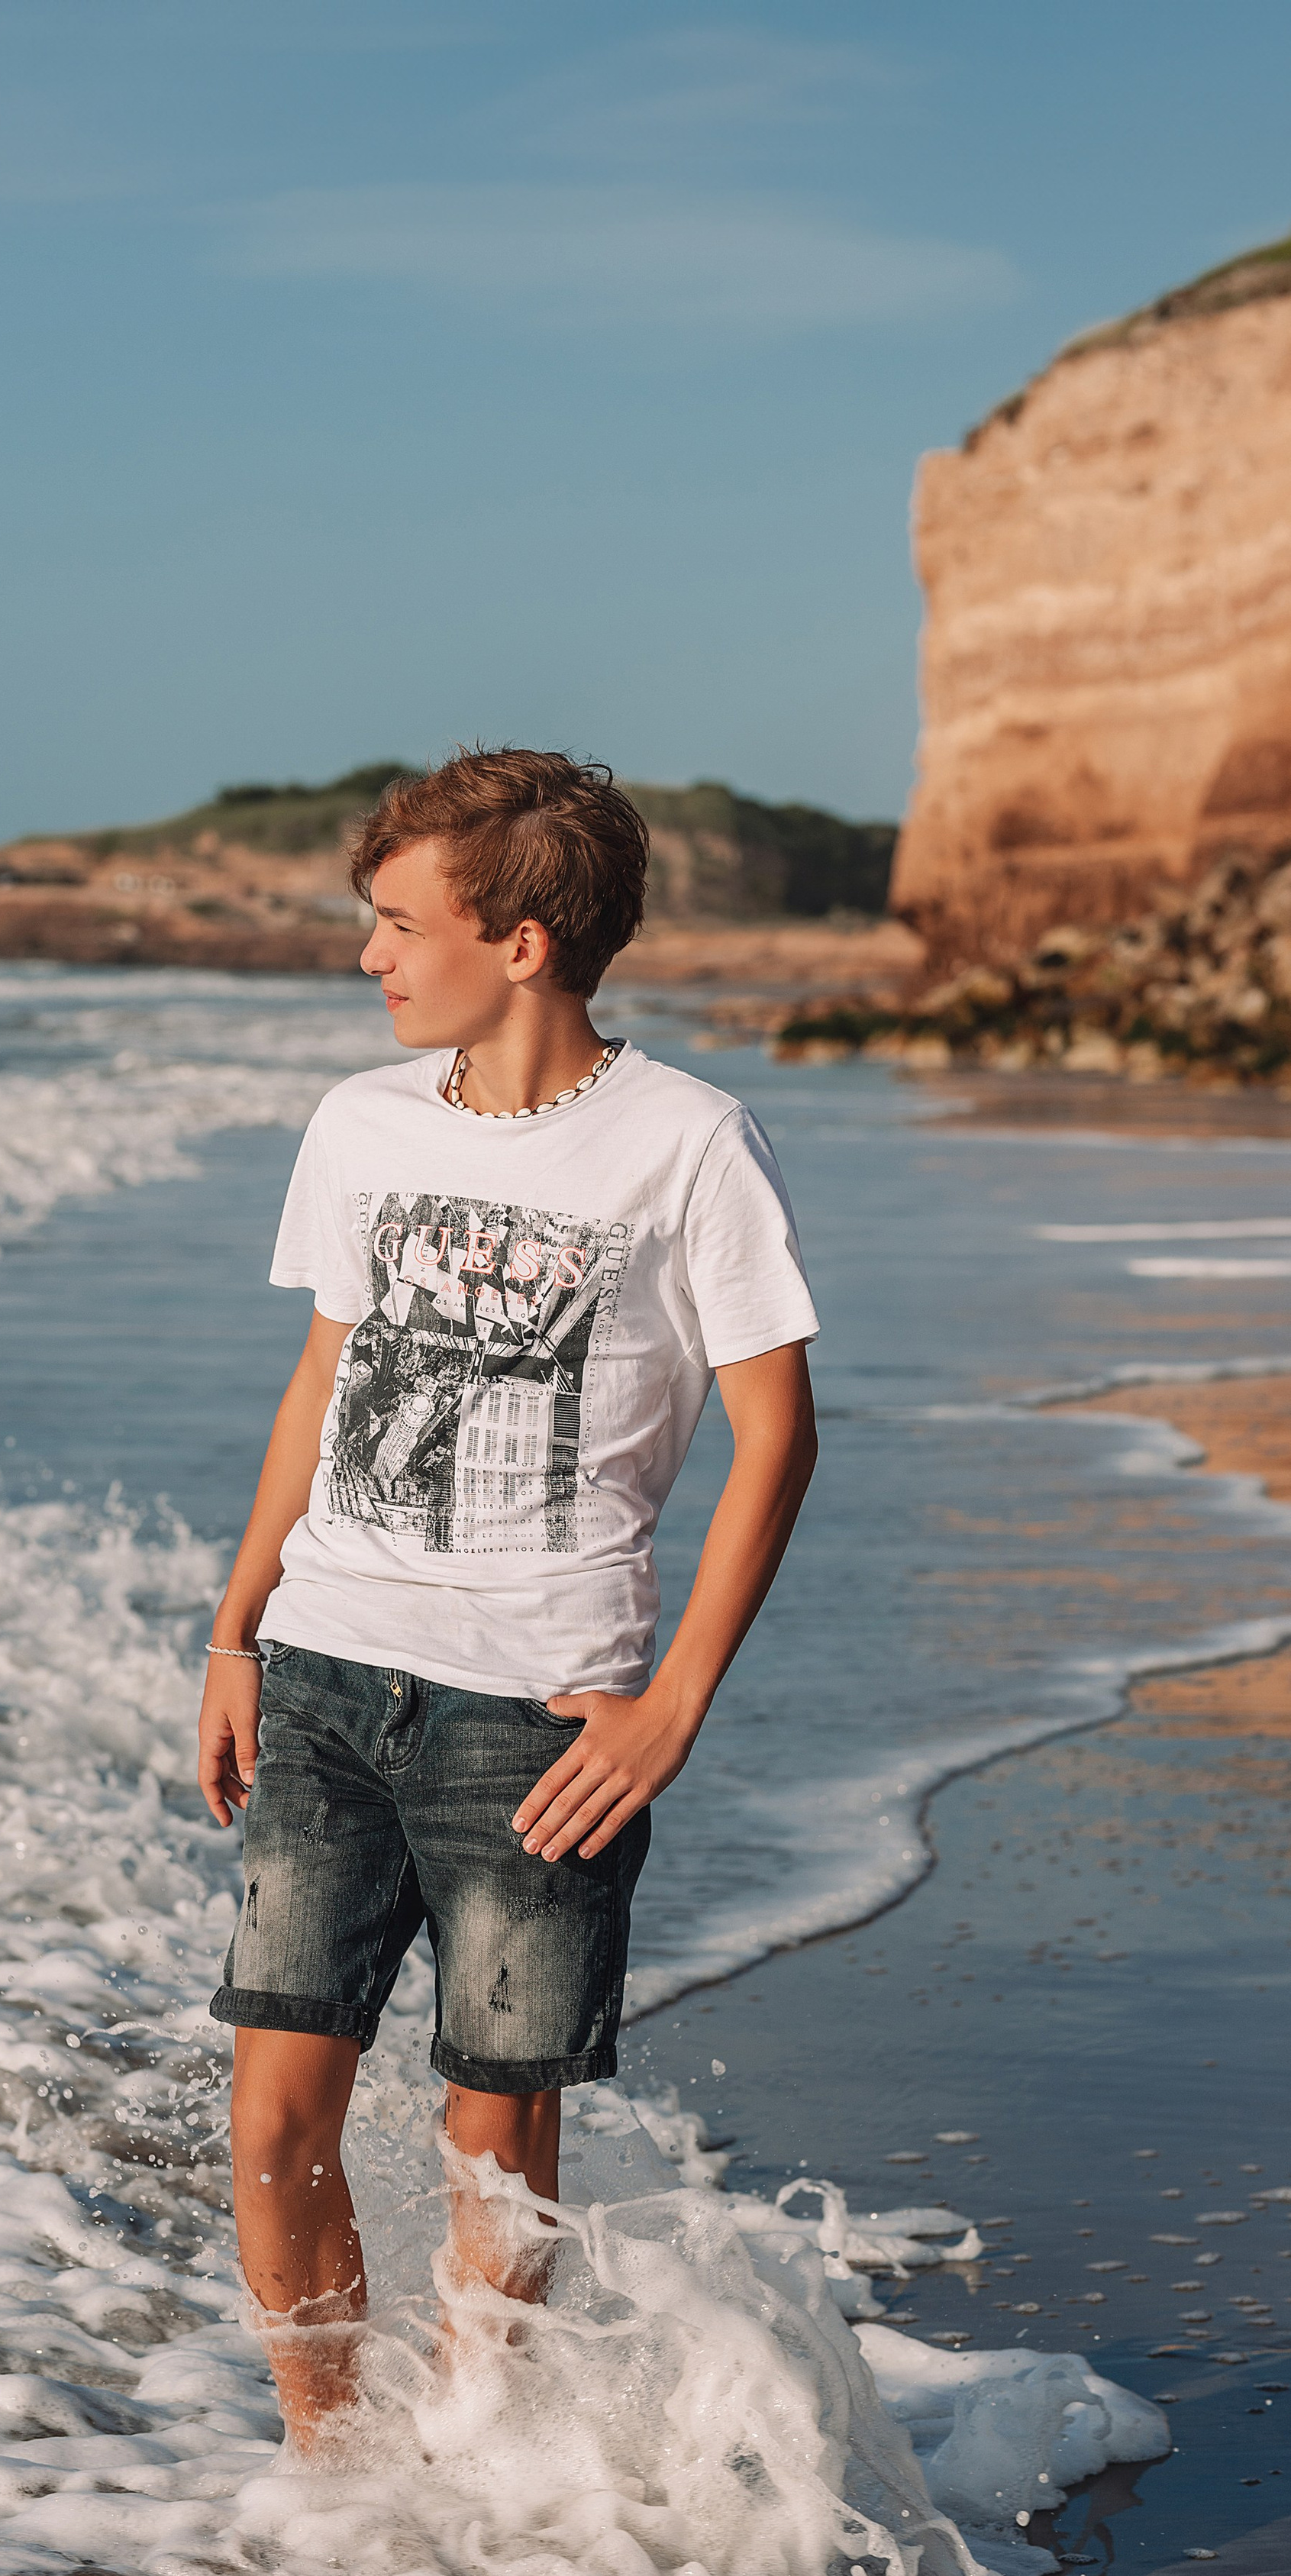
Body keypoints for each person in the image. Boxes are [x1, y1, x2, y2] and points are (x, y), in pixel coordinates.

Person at [196, 747, 819, 2451]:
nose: (368, 956)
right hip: (327, 1677)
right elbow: (319, 1382)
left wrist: (672, 1699)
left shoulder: (688, 1146)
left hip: (534, 1717)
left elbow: (777, 1430)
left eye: (399, 922)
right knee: (269, 2128)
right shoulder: (361, 1123)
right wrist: (236, 1627)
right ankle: (330, 2484)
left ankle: (475, 2500)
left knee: (494, 2152)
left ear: (524, 938)